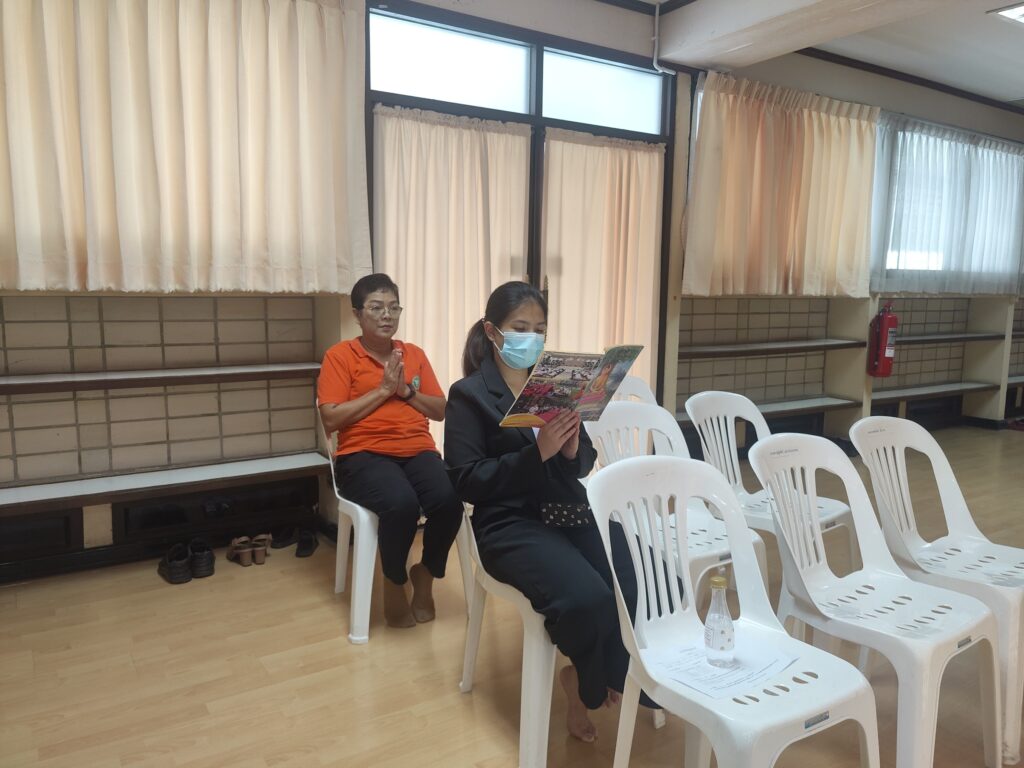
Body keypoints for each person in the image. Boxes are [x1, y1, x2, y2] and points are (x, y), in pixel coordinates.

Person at [444, 280, 642, 743]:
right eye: (520, 328)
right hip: (508, 523)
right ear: (492, 331)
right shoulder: (469, 395)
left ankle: (625, 677)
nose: (530, 338)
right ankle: (587, 686)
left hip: (567, 509)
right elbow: (466, 479)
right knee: (586, 597)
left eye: (539, 329)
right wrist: (537, 454)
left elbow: (584, 461)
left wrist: (570, 451)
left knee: (637, 577)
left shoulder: (555, 385)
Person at [318, 273, 462, 629]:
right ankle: (395, 580)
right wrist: (383, 391)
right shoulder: (340, 356)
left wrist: (406, 392)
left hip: (417, 449)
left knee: (450, 499)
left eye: (394, 308)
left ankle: (425, 573)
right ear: (357, 314)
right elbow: (331, 418)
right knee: (401, 504)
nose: (387, 315)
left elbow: (440, 410)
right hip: (361, 455)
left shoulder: (413, 354)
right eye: (376, 308)